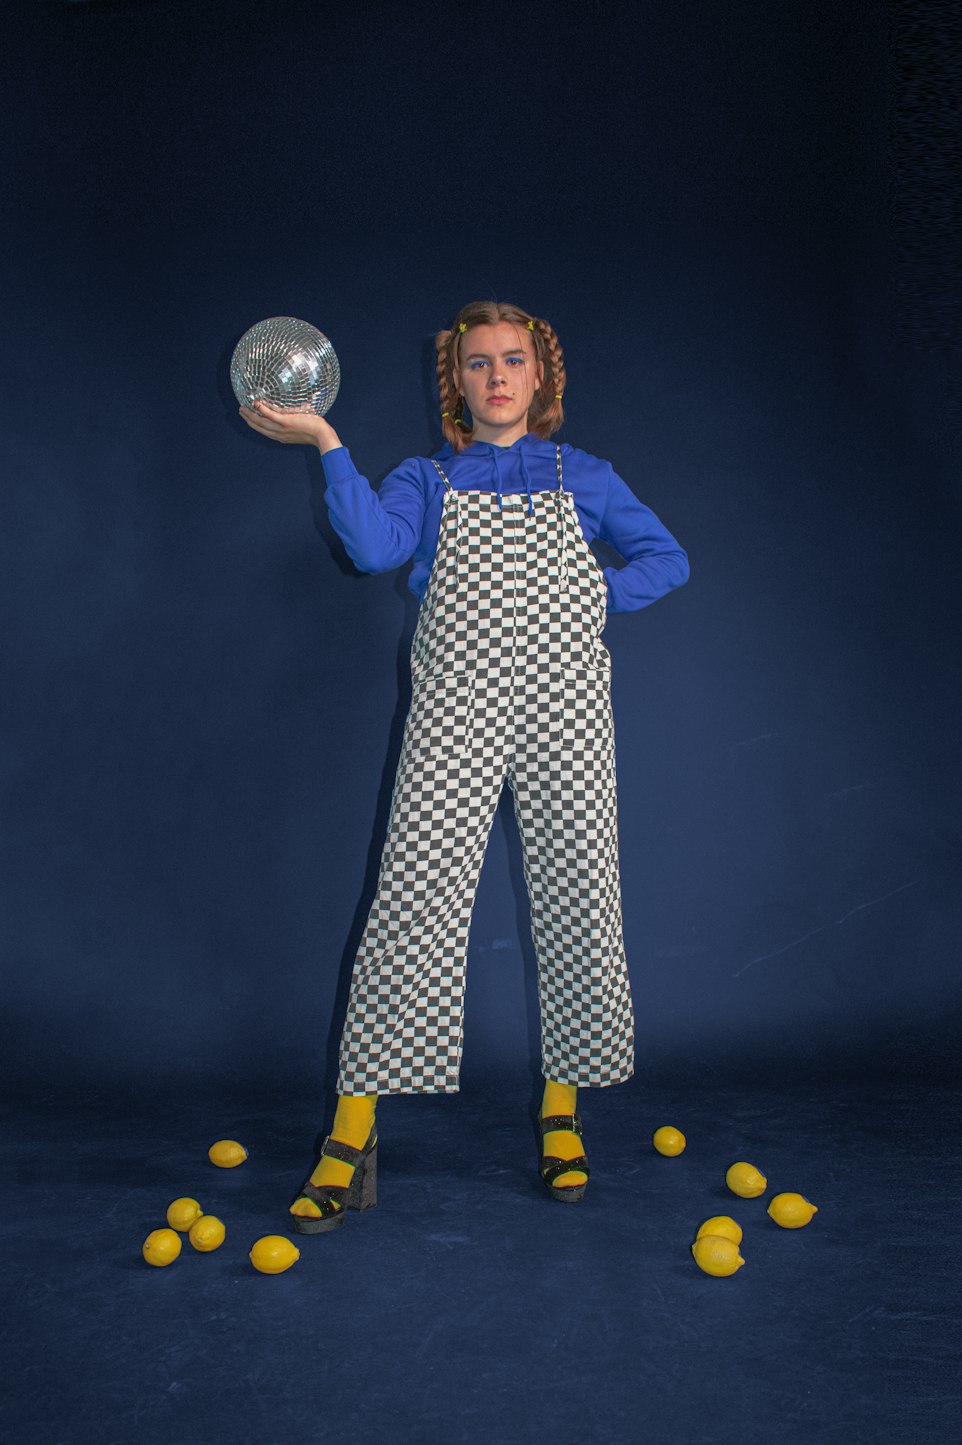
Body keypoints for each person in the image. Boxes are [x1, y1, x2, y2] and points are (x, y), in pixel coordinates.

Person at [239, 300, 690, 1233]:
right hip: (456, 708)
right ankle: (351, 1131)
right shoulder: (426, 478)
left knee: (578, 893)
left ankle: (560, 1114)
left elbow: (668, 558)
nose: (495, 376)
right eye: (477, 363)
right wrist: (326, 438)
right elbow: (371, 548)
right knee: (411, 899)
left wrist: (588, 595)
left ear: (539, 378)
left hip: (566, 709)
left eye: (512, 361)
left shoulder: (587, 476)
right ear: (456, 382)